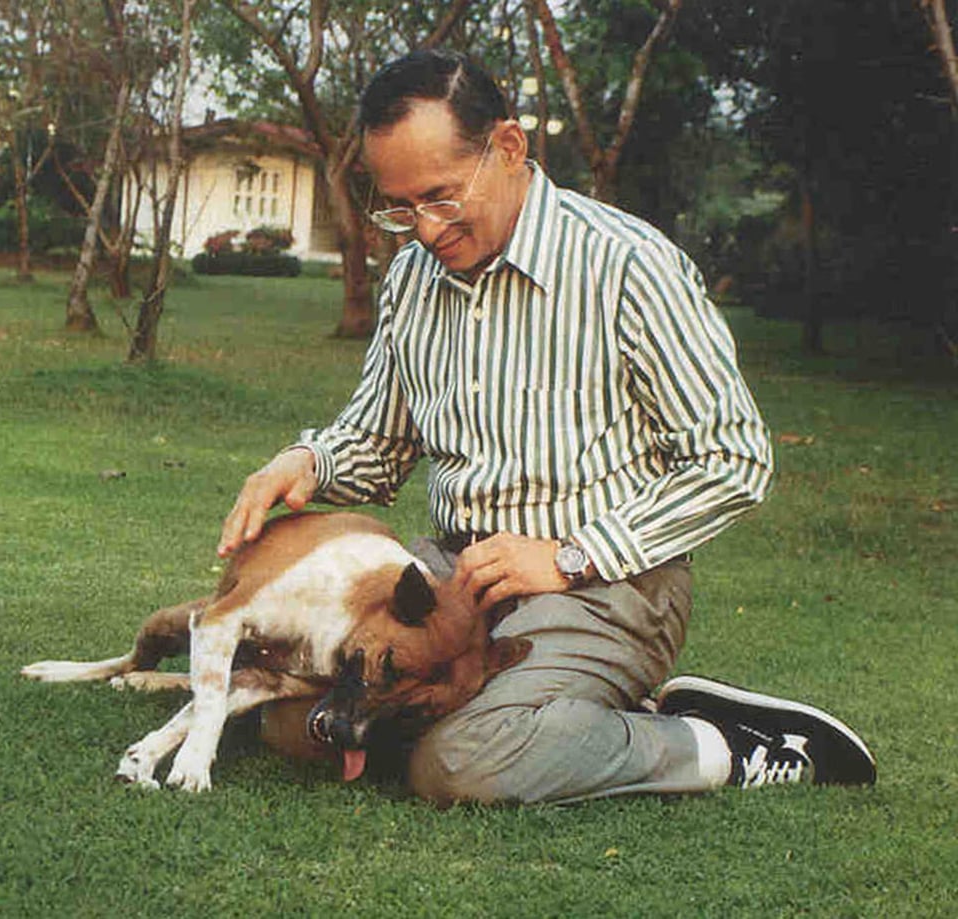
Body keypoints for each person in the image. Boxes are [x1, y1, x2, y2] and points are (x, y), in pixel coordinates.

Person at [218, 50, 876, 804]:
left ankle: (712, 740)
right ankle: (554, 718)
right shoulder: (413, 278)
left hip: (611, 584)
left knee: (461, 763)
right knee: (291, 723)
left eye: (439, 196)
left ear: (507, 148)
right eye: (401, 208)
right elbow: (379, 441)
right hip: (450, 586)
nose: (425, 231)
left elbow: (733, 460)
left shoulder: (627, 265)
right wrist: (308, 461)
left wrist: (568, 556)